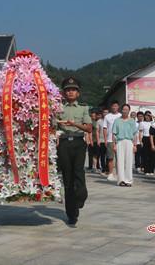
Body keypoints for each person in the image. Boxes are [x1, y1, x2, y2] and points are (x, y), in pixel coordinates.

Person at [57, 77, 91, 227]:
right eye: (68, 90)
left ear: (78, 93)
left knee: (78, 173)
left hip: (78, 142)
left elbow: (89, 128)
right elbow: (53, 126)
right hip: (64, 143)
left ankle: (82, 196)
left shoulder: (83, 108)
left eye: (73, 90)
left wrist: (74, 124)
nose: (70, 92)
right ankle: (71, 214)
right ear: (64, 93)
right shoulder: (58, 108)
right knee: (68, 179)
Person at [112, 104, 138, 186]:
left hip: (129, 142)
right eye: (123, 109)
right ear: (121, 110)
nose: (125, 111)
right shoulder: (117, 120)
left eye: (127, 109)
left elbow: (135, 134)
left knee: (129, 161)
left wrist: (135, 145)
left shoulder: (132, 121)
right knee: (120, 161)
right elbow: (114, 134)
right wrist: (114, 145)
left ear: (129, 111)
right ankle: (121, 180)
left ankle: (128, 180)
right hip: (120, 142)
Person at [103, 101, 121, 181]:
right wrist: (105, 140)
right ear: (111, 107)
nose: (114, 107)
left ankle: (118, 174)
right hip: (110, 140)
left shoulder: (121, 116)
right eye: (113, 106)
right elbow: (105, 128)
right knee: (110, 158)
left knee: (119, 158)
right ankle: (110, 174)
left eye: (116, 106)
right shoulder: (107, 116)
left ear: (118, 107)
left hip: (120, 140)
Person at [97, 109, 107, 174]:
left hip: (109, 141)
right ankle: (103, 169)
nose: (105, 113)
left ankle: (108, 169)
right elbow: (97, 131)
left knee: (109, 156)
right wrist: (98, 140)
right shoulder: (99, 121)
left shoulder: (110, 120)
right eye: (104, 112)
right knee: (102, 156)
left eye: (107, 112)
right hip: (102, 140)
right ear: (102, 113)